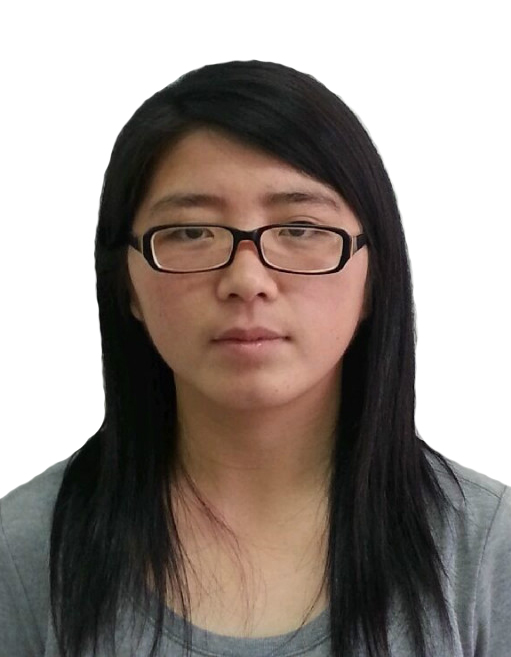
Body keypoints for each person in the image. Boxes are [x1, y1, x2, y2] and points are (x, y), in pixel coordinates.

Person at [0, 60, 509, 657]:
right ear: (127, 284)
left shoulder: (488, 550)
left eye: (300, 228)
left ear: (374, 277)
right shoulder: (25, 553)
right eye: (191, 232)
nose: (247, 280)